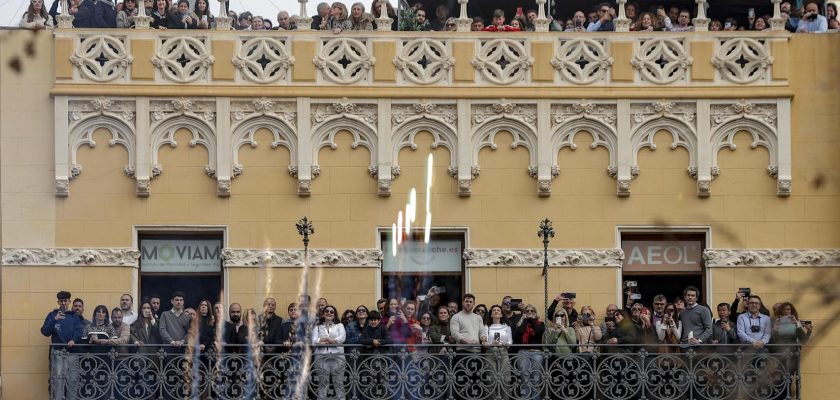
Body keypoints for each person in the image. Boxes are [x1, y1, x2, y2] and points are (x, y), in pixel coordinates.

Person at [312, 305, 346, 400]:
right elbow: (313, 340)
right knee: (323, 383)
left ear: (334, 315)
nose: (329, 313)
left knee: (339, 383)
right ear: (323, 314)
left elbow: (342, 338)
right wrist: (324, 339)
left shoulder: (339, 325)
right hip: (321, 357)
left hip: (338, 357)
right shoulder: (318, 327)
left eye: (332, 312)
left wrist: (332, 341)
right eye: (327, 311)